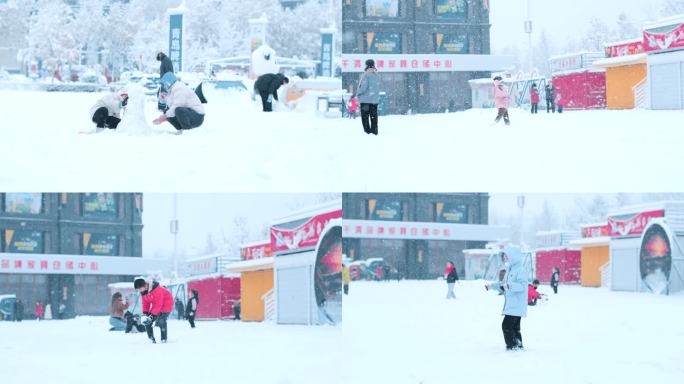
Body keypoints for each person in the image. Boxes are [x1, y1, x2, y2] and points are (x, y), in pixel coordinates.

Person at [485, 248, 528, 351]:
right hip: (512, 304)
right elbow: (503, 284)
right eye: (504, 256)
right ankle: (518, 345)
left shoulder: (520, 270)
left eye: (507, 256)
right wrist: (491, 286)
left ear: (514, 257)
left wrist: (509, 286)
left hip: (517, 304)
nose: (505, 258)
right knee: (514, 327)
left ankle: (512, 346)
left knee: (506, 326)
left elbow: (522, 286)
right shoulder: (510, 269)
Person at [134, 277, 173, 343]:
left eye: (140, 289)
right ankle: (151, 339)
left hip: (167, 304)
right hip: (156, 306)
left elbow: (159, 303)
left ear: (145, 285)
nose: (139, 291)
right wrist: (145, 313)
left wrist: (153, 315)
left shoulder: (157, 289)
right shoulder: (144, 292)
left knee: (161, 320)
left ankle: (163, 339)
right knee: (147, 321)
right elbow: (145, 303)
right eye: (138, 290)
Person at [356, 59, 380, 135]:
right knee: (374, 117)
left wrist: (358, 93)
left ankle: (367, 133)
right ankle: (374, 131)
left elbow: (363, 87)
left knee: (365, 118)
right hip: (374, 100)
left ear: (366, 65)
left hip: (365, 100)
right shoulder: (377, 75)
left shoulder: (366, 75)